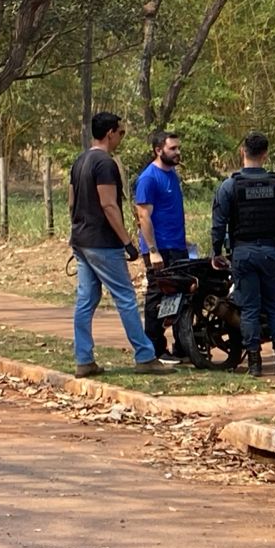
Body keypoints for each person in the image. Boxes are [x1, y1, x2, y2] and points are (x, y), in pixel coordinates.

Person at [69, 112, 174, 378]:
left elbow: (71, 202)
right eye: (121, 133)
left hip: (82, 240)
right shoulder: (104, 163)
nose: (121, 138)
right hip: (102, 243)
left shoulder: (80, 160)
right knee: (126, 298)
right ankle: (145, 355)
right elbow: (108, 204)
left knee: (86, 300)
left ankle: (84, 359)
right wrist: (127, 242)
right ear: (109, 134)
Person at [211, 132, 275, 377]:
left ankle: (254, 364)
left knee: (249, 308)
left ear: (242, 152)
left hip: (243, 253)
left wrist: (216, 251)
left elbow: (218, 224)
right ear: (265, 154)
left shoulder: (230, 186)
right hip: (271, 252)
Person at [136, 131, 188, 364]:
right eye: (173, 148)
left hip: (177, 245)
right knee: (157, 297)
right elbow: (143, 216)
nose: (178, 152)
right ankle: (155, 348)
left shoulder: (173, 174)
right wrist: (153, 250)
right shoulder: (148, 178)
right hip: (159, 249)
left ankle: (183, 346)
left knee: (182, 295)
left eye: (178, 148)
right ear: (159, 150)